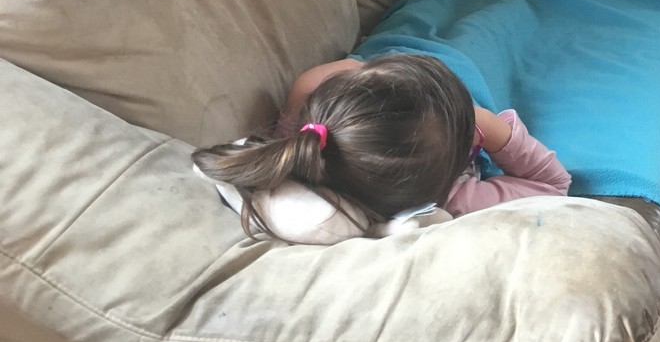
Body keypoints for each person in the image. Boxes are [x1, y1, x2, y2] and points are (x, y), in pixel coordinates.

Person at [192, 53, 571, 244]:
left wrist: (356, 75)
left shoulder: (312, 147)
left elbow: (308, 88)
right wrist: (489, 124)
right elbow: (554, 185)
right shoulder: (459, 199)